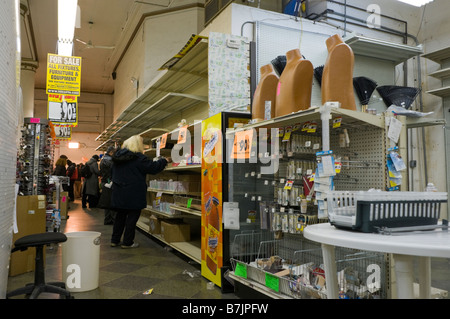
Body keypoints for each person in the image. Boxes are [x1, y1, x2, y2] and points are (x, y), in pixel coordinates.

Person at [110, 135, 170, 248]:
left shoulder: (117, 159)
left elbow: (111, 173)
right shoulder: (138, 158)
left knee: (120, 217)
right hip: (134, 193)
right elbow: (153, 168)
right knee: (132, 218)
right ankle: (127, 242)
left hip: (119, 192)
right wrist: (164, 161)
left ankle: (115, 240)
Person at [100, 146, 117, 225]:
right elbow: (112, 172)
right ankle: (113, 219)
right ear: (111, 152)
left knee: (107, 202)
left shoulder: (103, 159)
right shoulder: (110, 161)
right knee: (111, 201)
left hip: (105, 181)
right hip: (109, 182)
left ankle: (107, 219)